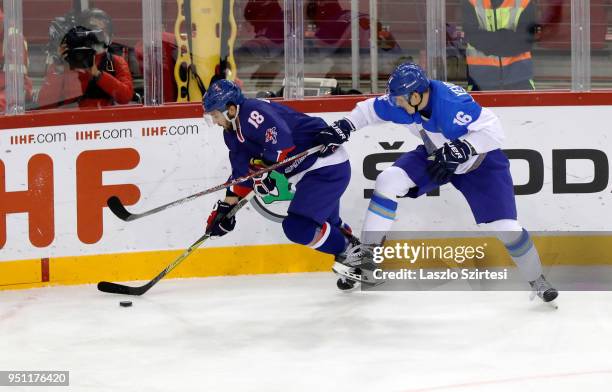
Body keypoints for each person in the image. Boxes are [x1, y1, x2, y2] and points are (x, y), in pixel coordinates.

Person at [317, 62, 558, 303]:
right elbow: (369, 109)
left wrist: (464, 146)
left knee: (506, 228)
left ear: (415, 95)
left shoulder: (451, 104)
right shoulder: (405, 101)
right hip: (436, 156)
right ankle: (367, 258)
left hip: (481, 164)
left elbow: (493, 130)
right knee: (388, 181)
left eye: (400, 99)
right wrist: (346, 125)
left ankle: (537, 279)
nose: (396, 104)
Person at [202, 79, 358, 290]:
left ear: (230, 109)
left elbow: (282, 143)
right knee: (328, 223)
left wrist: (263, 166)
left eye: (215, 115)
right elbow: (241, 177)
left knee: (298, 228)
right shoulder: (231, 134)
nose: (215, 121)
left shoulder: (253, 112)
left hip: (325, 166)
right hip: (308, 174)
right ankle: (356, 250)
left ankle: (350, 253)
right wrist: (226, 210)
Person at [37, 26, 134, 109]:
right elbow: (44, 104)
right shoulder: (62, 66)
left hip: (104, 119)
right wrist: (58, 67)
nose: (80, 55)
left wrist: (98, 74)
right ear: (67, 50)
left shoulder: (114, 61)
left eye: (85, 50)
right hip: (70, 121)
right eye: (76, 50)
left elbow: (125, 97)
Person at [462, 0, 538, 91]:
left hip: (520, 78)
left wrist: (489, 40)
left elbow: (526, 41)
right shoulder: (471, 2)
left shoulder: (524, 2)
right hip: (480, 80)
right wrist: (507, 37)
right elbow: (472, 36)